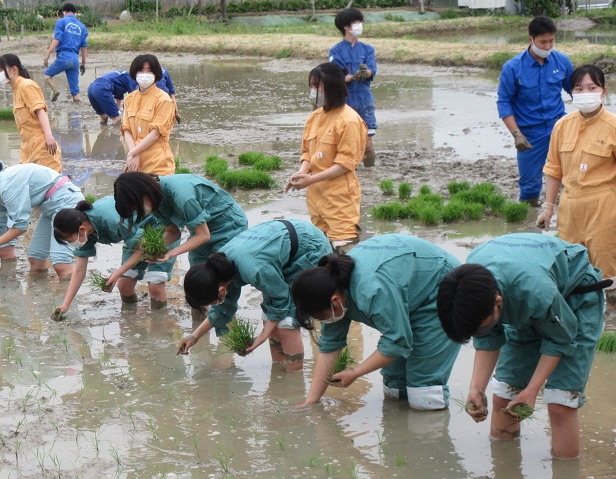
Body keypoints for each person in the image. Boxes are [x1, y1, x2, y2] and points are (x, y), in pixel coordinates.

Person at [437, 234, 607, 459]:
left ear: (498, 303)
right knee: (504, 396)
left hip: (575, 298)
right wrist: (475, 389)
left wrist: (532, 390)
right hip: (524, 297)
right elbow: (488, 338)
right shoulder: (472, 287)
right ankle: (504, 474)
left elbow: (560, 338)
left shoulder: (534, 292)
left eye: (480, 327)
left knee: (560, 402)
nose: (479, 333)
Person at [290, 234, 461, 411]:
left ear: (334, 300)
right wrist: (311, 401)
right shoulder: (332, 289)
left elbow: (397, 341)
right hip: (405, 291)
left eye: (321, 317)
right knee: (394, 386)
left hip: (441, 286)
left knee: (424, 393)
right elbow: (329, 348)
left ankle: (430, 433)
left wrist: (356, 373)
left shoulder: (372, 291)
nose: (323, 322)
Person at [178, 219, 332, 368]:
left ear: (221, 290)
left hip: (309, 247)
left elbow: (280, 298)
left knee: (286, 324)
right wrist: (195, 336)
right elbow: (222, 309)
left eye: (213, 301)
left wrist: (261, 337)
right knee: (269, 321)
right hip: (283, 246)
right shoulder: (219, 270)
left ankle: (293, 379)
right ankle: (278, 372)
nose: (216, 304)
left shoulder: (254, 268)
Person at [537, 64, 616, 281]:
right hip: (569, 206)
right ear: (571, 92)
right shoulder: (562, 126)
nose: (585, 94)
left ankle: (610, 311)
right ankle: (580, 313)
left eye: (592, 88)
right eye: (579, 89)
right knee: (571, 266)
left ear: (604, 91)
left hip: (604, 206)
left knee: (605, 267)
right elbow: (554, 169)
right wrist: (548, 207)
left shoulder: (613, 126)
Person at [111, 172, 248, 288]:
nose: (140, 211)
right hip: (201, 228)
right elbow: (172, 232)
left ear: (143, 194)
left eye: (136, 206)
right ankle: (200, 317)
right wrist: (152, 249)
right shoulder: (156, 200)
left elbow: (203, 235)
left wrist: (171, 253)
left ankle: (223, 317)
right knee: (197, 283)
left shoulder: (183, 197)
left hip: (228, 225)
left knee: (220, 280)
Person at [286, 62, 367, 251]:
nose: (313, 91)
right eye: (312, 86)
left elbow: (345, 164)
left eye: (317, 86)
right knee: (321, 253)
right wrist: (301, 173)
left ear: (332, 87)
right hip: (316, 199)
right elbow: (308, 153)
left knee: (344, 253)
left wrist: (311, 179)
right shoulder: (314, 117)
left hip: (339, 200)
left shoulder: (349, 121)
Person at [52, 196, 176, 316]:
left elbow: (142, 250)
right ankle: (131, 322)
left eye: (69, 240)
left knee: (155, 284)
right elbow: (79, 271)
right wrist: (65, 305)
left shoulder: (113, 221)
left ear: (81, 229)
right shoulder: (86, 233)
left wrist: (117, 273)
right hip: (135, 237)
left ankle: (160, 326)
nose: (71, 244)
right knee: (124, 285)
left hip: (160, 230)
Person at [497, 15, 574, 206]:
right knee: (530, 184)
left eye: (551, 41)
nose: (548, 46)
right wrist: (516, 134)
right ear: (530, 39)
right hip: (530, 133)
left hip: (560, 127)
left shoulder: (562, 62)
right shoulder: (513, 68)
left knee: (574, 176)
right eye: (543, 42)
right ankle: (529, 222)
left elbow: (575, 90)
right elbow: (504, 102)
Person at [0, 162, 84, 278]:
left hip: (66, 202)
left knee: (60, 263)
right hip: (49, 208)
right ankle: (41, 296)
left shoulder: (8, 185)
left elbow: (20, 227)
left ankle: (69, 298)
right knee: (36, 258)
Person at [0, 54, 60, 171]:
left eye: (1, 70)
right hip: (27, 146)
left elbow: (40, 110)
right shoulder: (16, 89)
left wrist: (49, 136)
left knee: (48, 184)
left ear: (14, 70)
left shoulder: (27, 85)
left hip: (41, 145)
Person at [329, 8, 376, 167]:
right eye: (357, 22)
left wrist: (366, 72)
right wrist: (350, 77)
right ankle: (349, 169)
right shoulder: (336, 51)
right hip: (346, 101)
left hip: (364, 100)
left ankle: (370, 171)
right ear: (346, 26)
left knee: (367, 142)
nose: (360, 25)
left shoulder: (368, 49)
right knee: (348, 141)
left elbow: (372, 70)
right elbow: (336, 75)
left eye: (360, 21)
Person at [121, 54, 177, 175]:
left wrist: (132, 153)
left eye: (149, 70)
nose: (145, 74)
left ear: (156, 74)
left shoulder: (163, 100)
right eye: (141, 70)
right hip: (135, 163)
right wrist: (134, 154)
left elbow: (155, 134)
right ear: (134, 73)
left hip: (157, 165)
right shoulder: (129, 99)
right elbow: (127, 130)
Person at [87, 67, 179, 127]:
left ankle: (103, 131)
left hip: (91, 88)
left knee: (104, 117)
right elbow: (133, 98)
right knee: (117, 119)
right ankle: (117, 135)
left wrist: (119, 112)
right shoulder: (131, 79)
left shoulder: (121, 82)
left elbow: (118, 100)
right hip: (102, 88)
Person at [43, 3, 88, 102]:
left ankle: (55, 91)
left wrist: (48, 53)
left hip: (64, 56)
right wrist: (83, 63)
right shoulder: (82, 27)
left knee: (47, 75)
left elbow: (57, 39)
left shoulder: (61, 22)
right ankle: (77, 111)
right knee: (75, 92)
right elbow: (84, 47)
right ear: (75, 13)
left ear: (64, 12)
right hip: (75, 59)